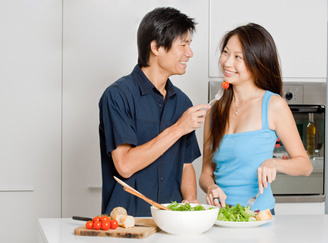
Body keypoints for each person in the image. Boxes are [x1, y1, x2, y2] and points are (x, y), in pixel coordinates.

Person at [99, 7, 210, 217]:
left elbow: (186, 166)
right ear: (156, 47)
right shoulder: (117, 95)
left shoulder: (182, 102)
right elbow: (124, 165)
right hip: (128, 223)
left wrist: (190, 201)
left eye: (190, 45)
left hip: (172, 223)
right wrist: (178, 128)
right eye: (183, 44)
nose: (190, 53)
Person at [199, 23, 313, 214]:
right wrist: (210, 187)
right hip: (220, 217)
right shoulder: (214, 111)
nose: (227, 63)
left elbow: (305, 166)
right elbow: (205, 174)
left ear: (257, 62)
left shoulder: (273, 105)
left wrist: (274, 163)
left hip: (259, 216)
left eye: (238, 57)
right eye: (226, 53)